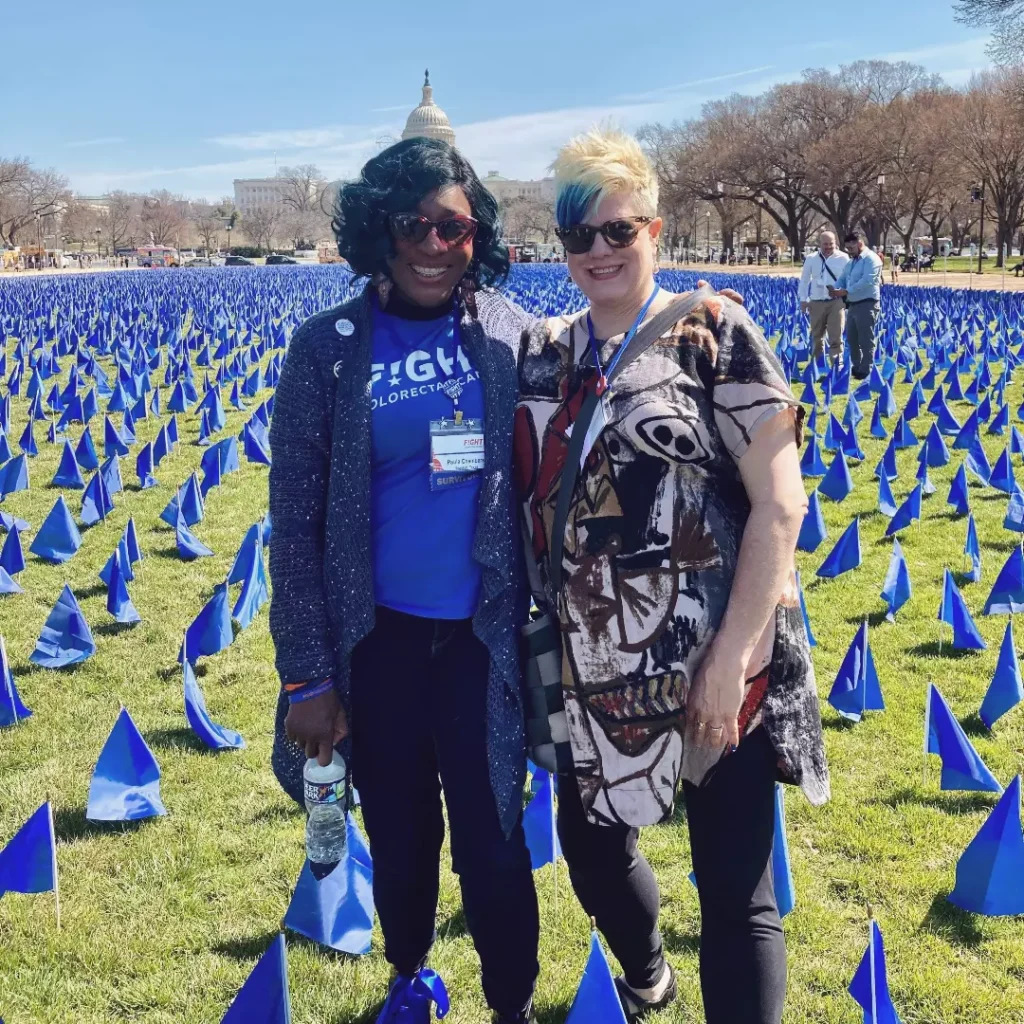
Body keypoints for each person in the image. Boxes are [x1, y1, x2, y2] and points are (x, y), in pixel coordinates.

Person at [514, 129, 829, 1024]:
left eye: (619, 229)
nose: (599, 250)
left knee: (736, 892)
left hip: (721, 660)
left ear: (654, 227)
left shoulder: (716, 334)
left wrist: (731, 657)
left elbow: (781, 504)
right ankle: (649, 972)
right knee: (591, 854)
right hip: (593, 670)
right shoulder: (545, 351)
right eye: (579, 234)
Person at [268, 137, 540, 1024]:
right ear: (377, 230)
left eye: (453, 227)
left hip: (481, 637)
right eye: (412, 225)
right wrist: (306, 676)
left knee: (494, 838)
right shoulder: (326, 350)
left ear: (477, 234)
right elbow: (294, 527)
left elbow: (609, 362)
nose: (433, 245)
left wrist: (692, 312)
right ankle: (409, 970)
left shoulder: (512, 335)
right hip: (375, 638)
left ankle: (510, 1003)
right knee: (401, 830)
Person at [828, 230, 883, 379]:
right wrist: (835, 288)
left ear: (859, 243)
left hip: (867, 303)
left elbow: (867, 281)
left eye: (851, 248)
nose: (849, 251)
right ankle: (856, 366)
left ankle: (866, 369)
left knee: (866, 339)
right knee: (852, 339)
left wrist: (846, 291)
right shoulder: (852, 262)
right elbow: (843, 278)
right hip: (852, 304)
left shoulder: (871, 259)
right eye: (847, 248)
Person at [797, 230, 849, 365]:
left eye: (831, 243)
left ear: (835, 243)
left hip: (836, 302)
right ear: (820, 244)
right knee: (816, 336)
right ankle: (817, 365)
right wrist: (803, 300)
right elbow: (804, 281)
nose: (828, 247)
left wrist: (844, 293)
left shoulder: (843, 258)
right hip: (816, 302)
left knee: (836, 336)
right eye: (825, 244)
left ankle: (837, 365)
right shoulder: (811, 258)